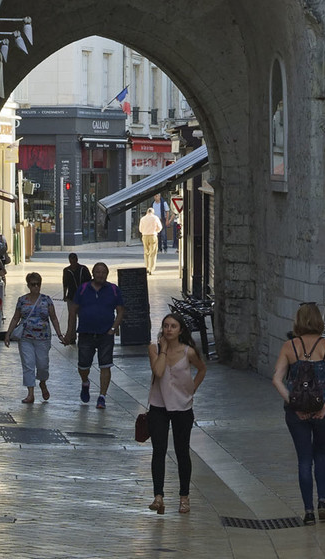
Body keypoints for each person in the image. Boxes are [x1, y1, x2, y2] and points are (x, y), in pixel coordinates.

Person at [271, 302, 325, 523]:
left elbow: (277, 380)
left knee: (304, 459)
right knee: (321, 455)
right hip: (323, 411)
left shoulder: (289, 347)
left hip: (296, 414)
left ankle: (308, 511)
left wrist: (293, 403)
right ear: (318, 320)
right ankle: (323, 501)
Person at [145, 309, 206, 514]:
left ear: (180, 331)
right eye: (166, 326)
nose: (169, 330)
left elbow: (202, 369)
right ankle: (158, 496)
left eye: (173, 326)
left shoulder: (188, 351)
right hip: (158, 406)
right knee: (159, 450)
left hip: (182, 407)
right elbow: (159, 371)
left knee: (182, 452)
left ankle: (184, 496)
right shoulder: (154, 349)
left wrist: (191, 389)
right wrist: (163, 350)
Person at [73, 259, 124, 408]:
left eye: (103, 272)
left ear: (107, 275)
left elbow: (121, 311)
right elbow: (73, 310)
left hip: (105, 335)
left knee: (105, 365)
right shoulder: (83, 289)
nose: (100, 275)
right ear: (93, 273)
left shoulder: (114, 290)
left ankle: (102, 396)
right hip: (85, 333)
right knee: (83, 366)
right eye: (98, 272)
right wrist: (71, 331)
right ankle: (85, 382)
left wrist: (113, 329)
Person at [5, 272, 61, 405]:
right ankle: (30, 394)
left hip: (43, 338)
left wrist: (59, 334)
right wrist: (8, 333)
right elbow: (16, 317)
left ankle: (42, 382)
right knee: (28, 364)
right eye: (33, 284)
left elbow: (53, 318)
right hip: (26, 338)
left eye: (38, 284)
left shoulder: (46, 300)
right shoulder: (22, 300)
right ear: (28, 285)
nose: (36, 287)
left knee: (42, 365)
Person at [138, 203, 162, 272]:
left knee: (146, 252)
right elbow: (160, 227)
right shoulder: (155, 218)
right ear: (153, 212)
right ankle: (151, 268)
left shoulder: (143, 219)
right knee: (153, 253)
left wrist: (144, 232)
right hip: (153, 235)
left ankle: (147, 267)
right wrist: (156, 231)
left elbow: (140, 229)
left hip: (145, 236)